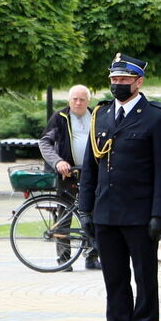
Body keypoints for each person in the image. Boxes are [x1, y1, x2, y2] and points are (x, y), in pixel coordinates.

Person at [77, 53, 161, 321]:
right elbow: (91, 167)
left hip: (140, 213)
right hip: (106, 212)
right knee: (115, 280)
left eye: (124, 79)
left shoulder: (156, 116)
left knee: (145, 280)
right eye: (114, 79)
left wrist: (160, 214)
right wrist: (87, 210)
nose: (117, 84)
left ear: (139, 81)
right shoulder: (101, 116)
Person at [38, 84, 99, 268]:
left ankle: (92, 256)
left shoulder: (96, 116)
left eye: (82, 99)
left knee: (93, 214)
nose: (78, 103)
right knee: (64, 215)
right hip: (68, 174)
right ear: (69, 100)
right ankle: (64, 260)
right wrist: (57, 162)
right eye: (75, 99)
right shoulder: (60, 117)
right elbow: (45, 142)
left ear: (88, 101)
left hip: (91, 173)